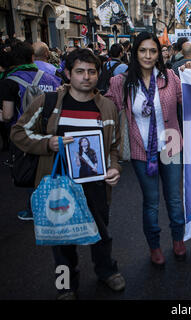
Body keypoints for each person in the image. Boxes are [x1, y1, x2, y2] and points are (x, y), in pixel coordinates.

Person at [10, 48, 125, 299]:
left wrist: (115, 168)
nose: (86, 77)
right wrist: (47, 143)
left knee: (101, 233)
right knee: (61, 241)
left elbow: (114, 146)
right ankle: (65, 285)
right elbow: (18, 133)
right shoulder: (48, 103)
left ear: (98, 75)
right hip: (59, 184)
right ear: (68, 74)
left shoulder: (107, 107)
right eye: (80, 71)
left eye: (92, 72)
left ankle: (107, 272)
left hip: (95, 184)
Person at [105, 32, 186, 267]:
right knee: (151, 202)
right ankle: (155, 246)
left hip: (171, 148)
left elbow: (190, 97)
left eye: (153, 51)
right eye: (143, 50)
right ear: (135, 53)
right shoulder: (122, 82)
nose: (148, 56)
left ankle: (178, 240)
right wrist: (71, 92)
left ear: (159, 54)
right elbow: (105, 105)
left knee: (173, 198)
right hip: (142, 152)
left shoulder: (170, 77)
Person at [1, 40, 62, 221]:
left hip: (24, 135)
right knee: (51, 169)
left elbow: (7, 115)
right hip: (52, 130)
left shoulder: (8, 81)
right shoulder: (52, 76)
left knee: (30, 172)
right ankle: (56, 205)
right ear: (31, 57)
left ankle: (34, 210)